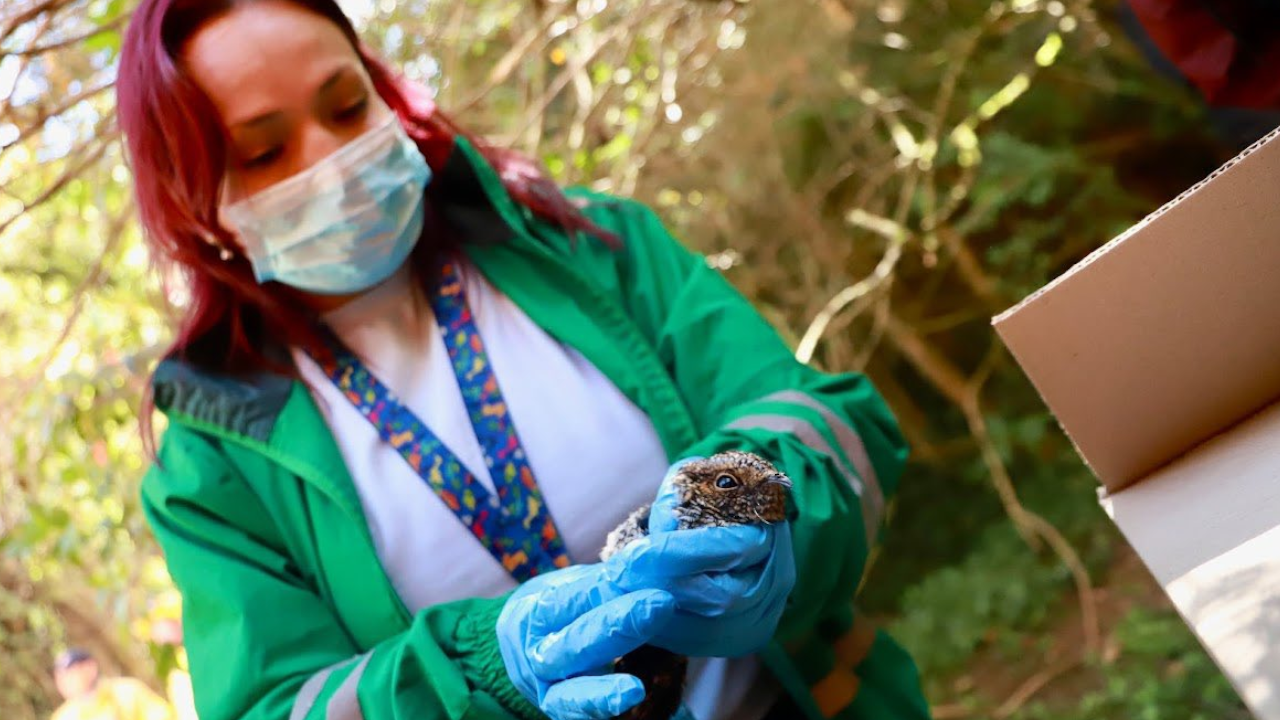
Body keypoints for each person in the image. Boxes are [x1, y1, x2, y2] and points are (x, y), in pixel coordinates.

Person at [115, 1, 930, 720]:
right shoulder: (212, 462)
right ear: (199, 202)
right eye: (263, 154)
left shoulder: (589, 248)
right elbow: (270, 703)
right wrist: (476, 674)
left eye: (346, 105)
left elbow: (827, 419)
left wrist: (757, 507)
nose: (329, 160)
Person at [50, 649, 174, 720]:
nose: (65, 682)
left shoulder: (127, 691)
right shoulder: (63, 716)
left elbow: (162, 716)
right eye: (60, 677)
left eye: (71, 673)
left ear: (90, 667)